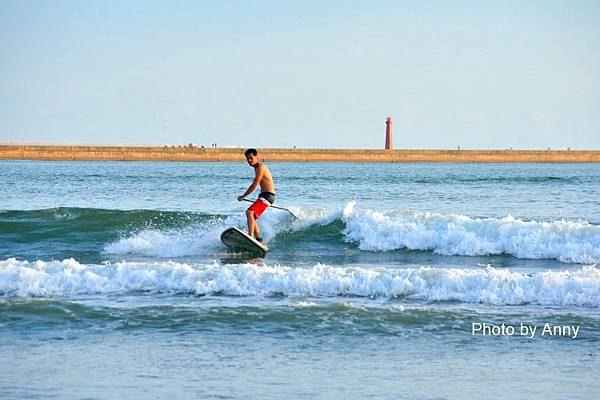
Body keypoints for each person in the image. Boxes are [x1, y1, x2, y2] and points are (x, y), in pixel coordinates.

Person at [237, 148, 275, 241]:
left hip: (268, 196)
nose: (249, 160)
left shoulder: (260, 167)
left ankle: (250, 237)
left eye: (251, 158)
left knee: (249, 212)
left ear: (256, 157)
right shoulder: (256, 167)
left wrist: (243, 196)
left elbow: (255, 184)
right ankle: (258, 238)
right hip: (263, 196)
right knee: (252, 217)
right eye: (247, 159)